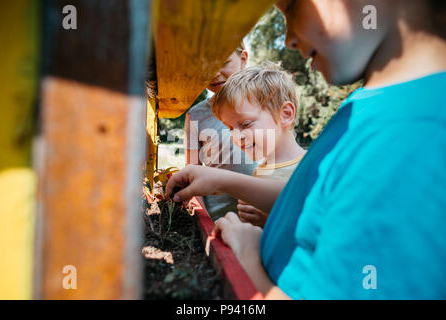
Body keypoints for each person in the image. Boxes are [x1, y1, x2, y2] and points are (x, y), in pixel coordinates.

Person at [167, 0, 446, 299]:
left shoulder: (412, 134)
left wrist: (248, 257)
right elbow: (312, 200)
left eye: (292, 6)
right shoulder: (363, 108)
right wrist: (220, 180)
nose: (289, 38)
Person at [212, 65, 306, 227]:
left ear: (286, 114)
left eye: (246, 124)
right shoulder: (259, 171)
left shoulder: (309, 168)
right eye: (231, 128)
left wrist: (268, 221)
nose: (236, 136)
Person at [184, 42, 257, 221]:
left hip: (263, 212)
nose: (214, 73)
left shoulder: (264, 104)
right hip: (219, 220)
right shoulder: (195, 116)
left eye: (223, 62)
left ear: (243, 59)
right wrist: (202, 222)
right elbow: (193, 171)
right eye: (205, 67)